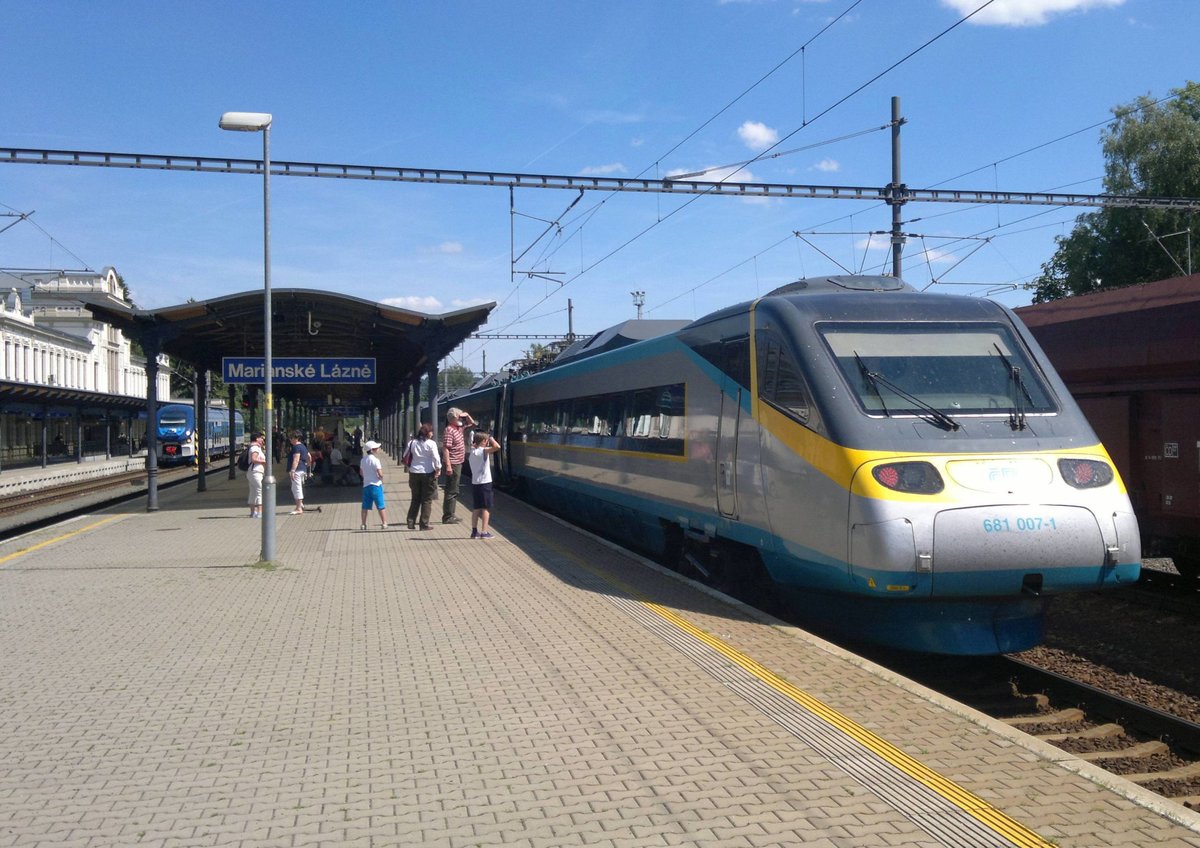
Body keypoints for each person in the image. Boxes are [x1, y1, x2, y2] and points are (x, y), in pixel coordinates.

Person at [440, 407, 475, 524]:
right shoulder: (449, 430)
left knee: (454, 489)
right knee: (451, 490)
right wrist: (448, 465)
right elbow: (446, 449)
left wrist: (467, 415)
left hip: (458, 462)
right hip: (453, 463)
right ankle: (447, 516)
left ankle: (451, 514)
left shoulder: (458, 428)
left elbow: (472, 424)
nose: (461, 418)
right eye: (459, 417)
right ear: (453, 418)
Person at [404, 423, 442, 530]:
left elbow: (405, 455)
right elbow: (436, 458)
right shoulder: (431, 443)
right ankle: (424, 524)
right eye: (431, 431)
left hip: (414, 473)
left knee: (415, 498)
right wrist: (438, 468)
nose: (432, 433)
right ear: (427, 433)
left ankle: (410, 522)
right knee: (426, 499)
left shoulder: (412, 442)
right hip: (428, 473)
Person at [467, 431, 501, 539]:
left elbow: (474, 445)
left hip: (475, 483)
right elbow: (497, 447)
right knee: (486, 508)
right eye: (486, 441)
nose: (487, 442)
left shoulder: (472, 451)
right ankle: (484, 532)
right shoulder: (483, 451)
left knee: (476, 508)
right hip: (485, 483)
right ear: (483, 441)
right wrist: (491, 438)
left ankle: (474, 532)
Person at [358, 439, 389, 530]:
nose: (378, 449)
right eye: (376, 448)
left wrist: (366, 477)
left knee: (365, 506)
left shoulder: (363, 460)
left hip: (366, 485)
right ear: (372, 450)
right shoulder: (376, 460)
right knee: (380, 505)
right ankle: (384, 523)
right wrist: (381, 478)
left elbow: (361, 472)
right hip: (376, 485)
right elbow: (380, 473)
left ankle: (363, 524)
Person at [286, 431, 320, 514]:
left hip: (297, 470)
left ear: (296, 438)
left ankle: (298, 508)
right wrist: (307, 466)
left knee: (296, 488)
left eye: (291, 438)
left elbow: (296, 459)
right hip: (302, 469)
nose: (290, 439)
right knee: (296, 487)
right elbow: (309, 457)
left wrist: (293, 470)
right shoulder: (303, 446)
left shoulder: (296, 447)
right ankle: (300, 505)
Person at [246, 432, 267, 518]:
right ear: (257, 438)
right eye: (261, 438)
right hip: (255, 472)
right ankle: (259, 512)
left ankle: (253, 512)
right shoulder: (255, 448)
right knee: (259, 491)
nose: (262, 439)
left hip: (253, 472)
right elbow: (254, 459)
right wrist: (264, 462)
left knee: (253, 491)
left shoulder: (255, 447)